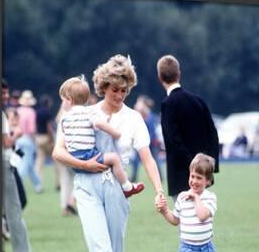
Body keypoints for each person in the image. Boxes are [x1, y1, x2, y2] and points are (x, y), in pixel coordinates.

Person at [53, 54, 164, 252]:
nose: (120, 94)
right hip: (87, 188)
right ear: (103, 86)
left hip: (116, 189)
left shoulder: (134, 119)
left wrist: (159, 190)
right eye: (115, 89)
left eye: (125, 90)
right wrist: (88, 166)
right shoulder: (83, 113)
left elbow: (147, 158)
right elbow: (58, 152)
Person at [59, 75, 145, 198]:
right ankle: (127, 186)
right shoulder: (89, 113)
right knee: (114, 158)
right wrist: (115, 133)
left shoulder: (64, 118)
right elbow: (99, 123)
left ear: (70, 100)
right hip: (88, 155)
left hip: (73, 159)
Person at [157, 55, 219, 201]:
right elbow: (213, 134)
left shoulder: (168, 104)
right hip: (203, 176)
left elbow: (174, 141)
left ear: (159, 77)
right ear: (179, 74)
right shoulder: (198, 101)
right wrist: (209, 167)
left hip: (181, 176)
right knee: (203, 220)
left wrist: (192, 167)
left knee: (186, 222)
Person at [2, 79, 41, 252]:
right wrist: (16, 134)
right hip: (5, 161)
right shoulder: (2, 115)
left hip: (4, 160)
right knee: (14, 206)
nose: (7, 96)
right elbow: (6, 143)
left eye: (7, 92)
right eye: (3, 93)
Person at [14, 89, 43, 193]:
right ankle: (17, 183)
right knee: (26, 164)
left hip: (17, 138)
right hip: (27, 138)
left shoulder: (18, 110)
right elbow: (32, 129)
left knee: (28, 163)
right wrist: (34, 140)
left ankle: (37, 185)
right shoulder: (31, 112)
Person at [130, 94, 164, 183]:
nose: (137, 104)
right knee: (135, 161)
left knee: (155, 160)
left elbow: (152, 131)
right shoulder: (137, 116)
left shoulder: (149, 116)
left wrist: (149, 142)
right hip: (140, 142)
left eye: (139, 102)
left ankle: (160, 177)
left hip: (151, 142)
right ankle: (133, 177)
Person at [56, 101, 78, 216]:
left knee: (65, 182)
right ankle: (70, 202)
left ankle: (65, 207)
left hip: (61, 154)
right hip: (72, 153)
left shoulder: (60, 118)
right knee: (80, 180)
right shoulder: (73, 117)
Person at [34, 94, 57, 186]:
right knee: (56, 159)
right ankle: (58, 183)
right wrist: (52, 139)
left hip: (38, 137)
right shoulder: (48, 112)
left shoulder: (37, 112)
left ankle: (38, 183)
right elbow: (49, 127)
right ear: (48, 103)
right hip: (47, 138)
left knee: (39, 161)